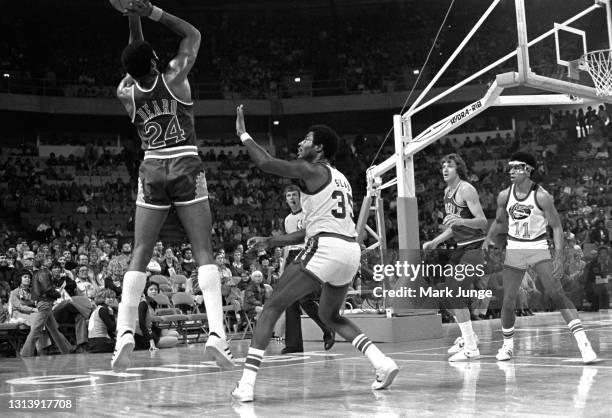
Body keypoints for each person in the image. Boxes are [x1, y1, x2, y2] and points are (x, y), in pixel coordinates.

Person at [231, 105, 398, 402]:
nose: (300, 144)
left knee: (271, 307)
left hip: (327, 247)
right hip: (348, 250)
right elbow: (310, 228)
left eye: (306, 140)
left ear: (319, 148)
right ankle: (382, 363)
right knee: (330, 315)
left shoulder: (312, 170)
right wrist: (272, 241)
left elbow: (266, 162)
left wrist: (243, 134)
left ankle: (245, 384)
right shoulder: (340, 179)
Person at [111, 0, 233, 370]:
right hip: (184, 163)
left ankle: (124, 333)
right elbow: (192, 34)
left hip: (151, 168)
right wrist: (151, 12)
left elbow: (137, 57)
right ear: (153, 62)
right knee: (203, 251)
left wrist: (131, 17)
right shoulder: (176, 76)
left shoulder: (125, 93)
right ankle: (217, 335)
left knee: (140, 251)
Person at [483, 152, 597, 363]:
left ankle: (584, 344)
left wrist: (560, 256)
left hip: (537, 246)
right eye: (510, 167)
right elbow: (499, 222)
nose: (511, 171)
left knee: (557, 294)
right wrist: (488, 238)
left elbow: (556, 226)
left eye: (516, 167)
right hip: (515, 248)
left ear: (528, 170)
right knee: (507, 301)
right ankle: (507, 346)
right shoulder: (504, 195)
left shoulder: (542, 196)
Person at [423, 154, 487, 362]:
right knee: (447, 292)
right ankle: (469, 337)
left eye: (449, 166)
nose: (445, 169)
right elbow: (454, 226)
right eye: (442, 165)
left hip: (474, 247)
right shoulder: (447, 192)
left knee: (455, 293)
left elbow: (482, 222)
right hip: (461, 248)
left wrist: (461, 220)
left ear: (458, 168)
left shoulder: (466, 189)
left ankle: (471, 348)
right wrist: (435, 241)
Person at [280, 184, 335, 354]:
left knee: (305, 299)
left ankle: (328, 328)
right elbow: (288, 245)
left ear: (300, 196)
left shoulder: (309, 214)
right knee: (290, 301)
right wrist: (283, 266)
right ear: (286, 199)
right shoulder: (288, 219)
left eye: (294, 194)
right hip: (292, 257)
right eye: (288, 195)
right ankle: (294, 345)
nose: (291, 198)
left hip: (307, 255)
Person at [135, 281, 179, 350]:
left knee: (175, 334)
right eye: (151, 289)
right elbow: (142, 325)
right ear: (146, 291)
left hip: (151, 330)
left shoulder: (152, 302)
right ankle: (156, 342)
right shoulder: (143, 304)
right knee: (175, 340)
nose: (154, 291)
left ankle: (160, 339)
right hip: (142, 336)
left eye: (155, 289)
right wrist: (151, 340)